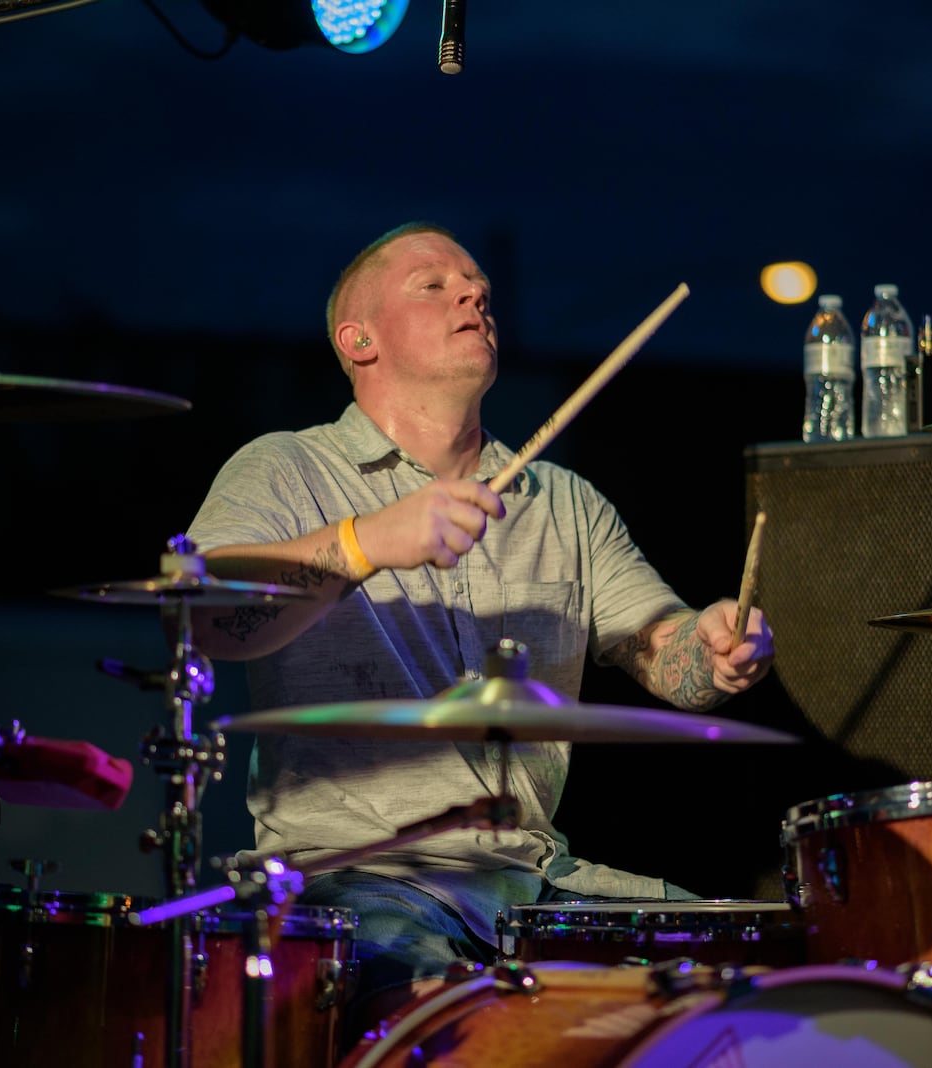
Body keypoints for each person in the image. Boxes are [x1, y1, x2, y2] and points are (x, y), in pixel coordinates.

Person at [183, 221, 775, 1042]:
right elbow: (210, 617)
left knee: (753, 978)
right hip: (358, 879)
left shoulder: (564, 502)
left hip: (530, 878)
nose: (473, 294)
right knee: (437, 1022)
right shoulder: (284, 468)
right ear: (358, 340)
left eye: (479, 288)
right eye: (434, 285)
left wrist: (712, 647)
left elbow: (665, 653)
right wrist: (368, 541)